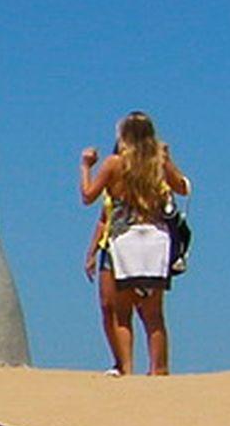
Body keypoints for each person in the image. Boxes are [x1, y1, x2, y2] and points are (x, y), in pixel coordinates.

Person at [78, 112, 189, 375]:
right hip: (154, 240)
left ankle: (126, 369)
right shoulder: (158, 164)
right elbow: (183, 188)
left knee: (122, 313)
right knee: (154, 316)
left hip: (123, 241)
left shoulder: (114, 164)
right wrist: (168, 161)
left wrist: (85, 166)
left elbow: (88, 196)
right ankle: (159, 370)